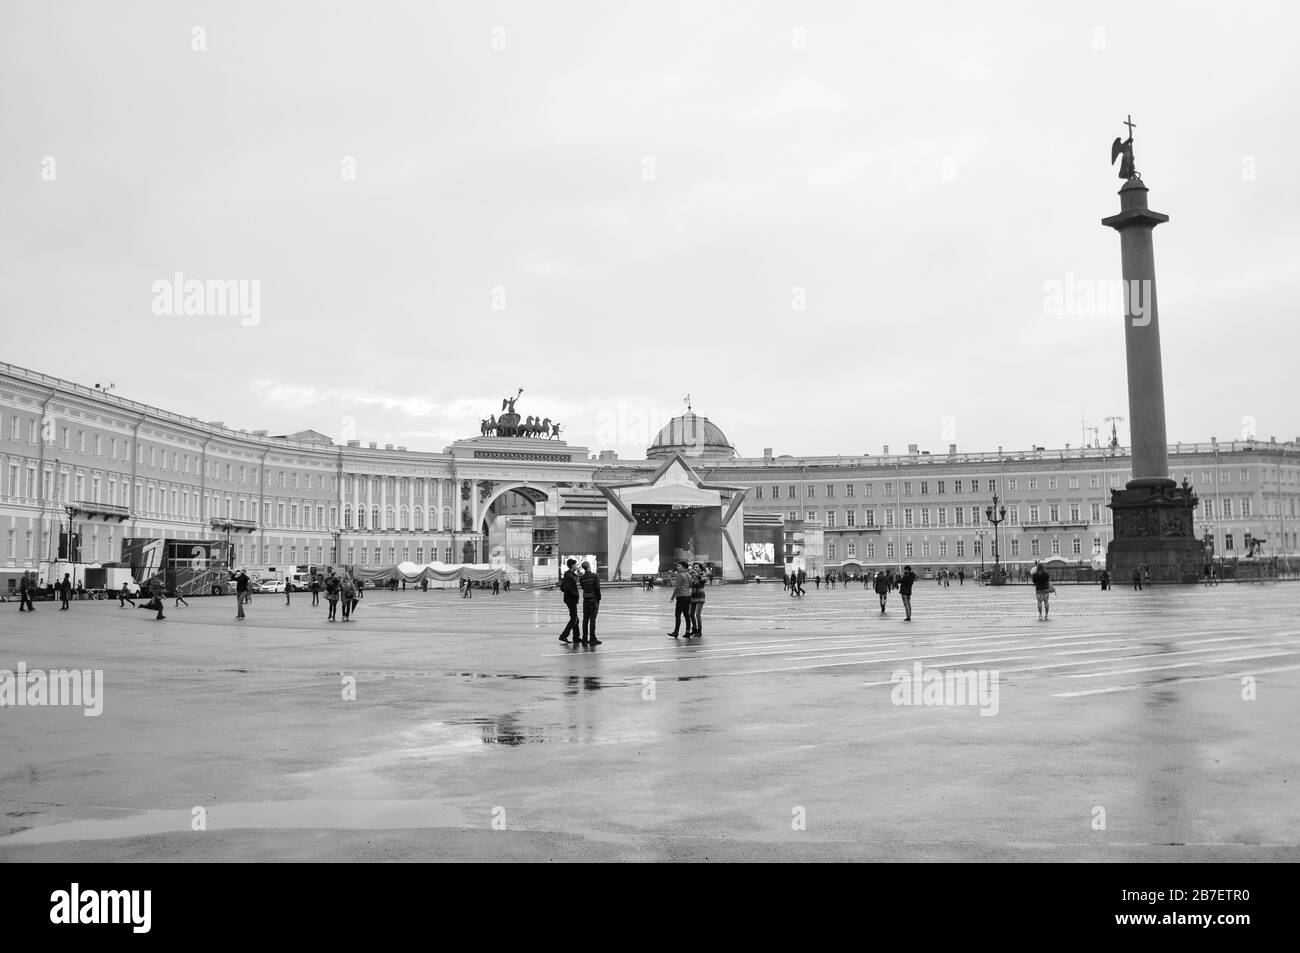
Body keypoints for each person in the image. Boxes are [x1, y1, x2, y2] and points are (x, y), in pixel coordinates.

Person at [667, 561, 693, 639]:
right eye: (677, 566)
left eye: (679, 566)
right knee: (686, 614)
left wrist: (672, 597)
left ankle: (676, 632)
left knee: (677, 615)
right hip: (688, 596)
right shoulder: (688, 575)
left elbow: (677, 588)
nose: (677, 567)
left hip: (681, 597)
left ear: (684, 568)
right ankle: (688, 632)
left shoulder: (679, 575)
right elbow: (691, 585)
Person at [558, 559, 582, 643]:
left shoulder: (569, 574)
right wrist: (575, 593)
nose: (576, 566)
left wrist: (578, 573)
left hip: (569, 599)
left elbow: (562, 587)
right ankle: (563, 635)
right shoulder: (569, 576)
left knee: (576, 619)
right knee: (574, 619)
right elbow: (566, 588)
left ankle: (576, 637)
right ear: (572, 565)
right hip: (571, 599)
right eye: (575, 565)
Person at [579, 561, 601, 645]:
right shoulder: (594, 576)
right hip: (593, 599)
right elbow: (597, 588)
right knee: (592, 619)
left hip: (586, 600)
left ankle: (584, 638)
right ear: (589, 566)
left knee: (585, 619)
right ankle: (592, 638)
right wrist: (598, 598)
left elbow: (583, 587)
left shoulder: (581, 578)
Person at [688, 562, 707, 637]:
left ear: (700, 568)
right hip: (693, 596)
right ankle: (694, 629)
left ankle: (699, 631)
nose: (695, 568)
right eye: (694, 567)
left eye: (697, 567)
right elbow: (690, 584)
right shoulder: (691, 575)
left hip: (700, 597)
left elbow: (704, 580)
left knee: (697, 615)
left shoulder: (702, 574)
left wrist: (697, 575)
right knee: (691, 614)